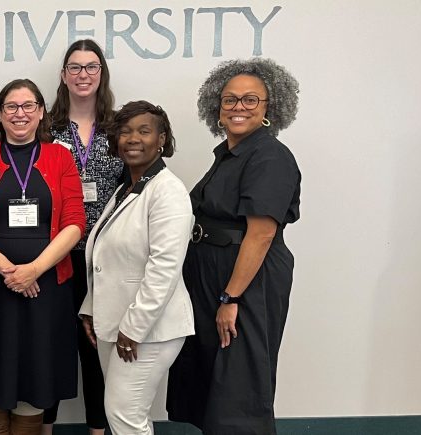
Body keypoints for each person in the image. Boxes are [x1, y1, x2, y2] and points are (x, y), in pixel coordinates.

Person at [166, 58, 302, 435]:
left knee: (240, 385)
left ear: (269, 108)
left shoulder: (270, 157)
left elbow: (260, 234)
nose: (238, 107)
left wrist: (231, 298)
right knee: (213, 381)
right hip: (212, 275)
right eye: (229, 100)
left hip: (246, 281)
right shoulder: (227, 154)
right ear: (217, 107)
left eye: (250, 100)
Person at [0, 79, 86, 435]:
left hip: (47, 288)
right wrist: (8, 271)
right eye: (11, 107)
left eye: (28, 105)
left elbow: (76, 223)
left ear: (41, 111)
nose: (20, 114)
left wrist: (33, 270)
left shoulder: (59, 156)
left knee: (36, 373)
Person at [78, 101, 194, 435]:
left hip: (148, 330)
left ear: (161, 139)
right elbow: (105, 258)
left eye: (144, 131)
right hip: (113, 323)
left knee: (125, 415)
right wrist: (91, 309)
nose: (133, 138)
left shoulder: (168, 191)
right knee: (120, 414)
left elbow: (165, 267)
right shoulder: (125, 188)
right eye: (125, 131)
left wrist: (135, 327)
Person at [45, 39, 121, 435]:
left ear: (101, 73)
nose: (83, 75)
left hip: (105, 258)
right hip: (56, 254)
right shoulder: (47, 128)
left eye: (91, 67)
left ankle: (97, 429)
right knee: (54, 345)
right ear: (63, 76)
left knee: (95, 347)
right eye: (75, 67)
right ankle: (44, 426)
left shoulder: (120, 128)